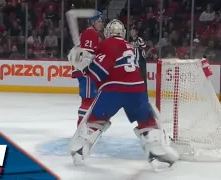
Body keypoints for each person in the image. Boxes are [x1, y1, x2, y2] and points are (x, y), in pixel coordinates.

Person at [67, 19, 179, 170]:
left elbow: (98, 73)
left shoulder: (107, 43)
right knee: (147, 122)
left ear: (108, 33)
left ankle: (79, 149)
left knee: (94, 120)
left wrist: (82, 65)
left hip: (113, 90)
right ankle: (155, 149)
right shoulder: (129, 46)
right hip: (138, 90)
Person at [71, 11, 103, 126]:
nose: (101, 24)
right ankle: (81, 127)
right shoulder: (90, 33)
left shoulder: (93, 33)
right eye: (99, 21)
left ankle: (87, 125)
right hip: (87, 72)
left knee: (91, 99)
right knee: (88, 100)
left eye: (101, 21)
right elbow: (87, 56)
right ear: (92, 22)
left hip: (87, 72)